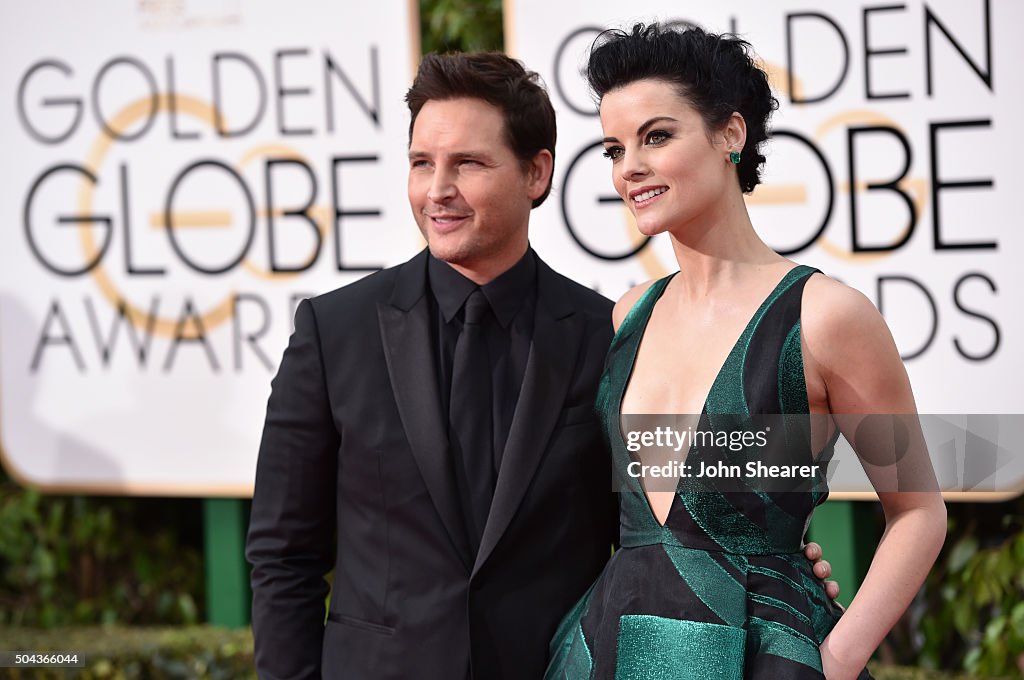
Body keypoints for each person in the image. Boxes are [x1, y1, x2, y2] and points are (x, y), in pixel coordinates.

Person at [246, 50, 837, 680]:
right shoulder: (334, 332)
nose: (437, 190)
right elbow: (284, 555)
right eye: (421, 163)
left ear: (536, 173)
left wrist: (764, 556)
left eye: (467, 163)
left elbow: (656, 525)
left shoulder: (607, 335)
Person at [545, 24, 946, 680]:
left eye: (657, 136)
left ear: (731, 134)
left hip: (765, 656)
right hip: (611, 649)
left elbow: (918, 511)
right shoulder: (629, 316)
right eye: (614, 149)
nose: (630, 168)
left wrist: (835, 660)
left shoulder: (825, 317)